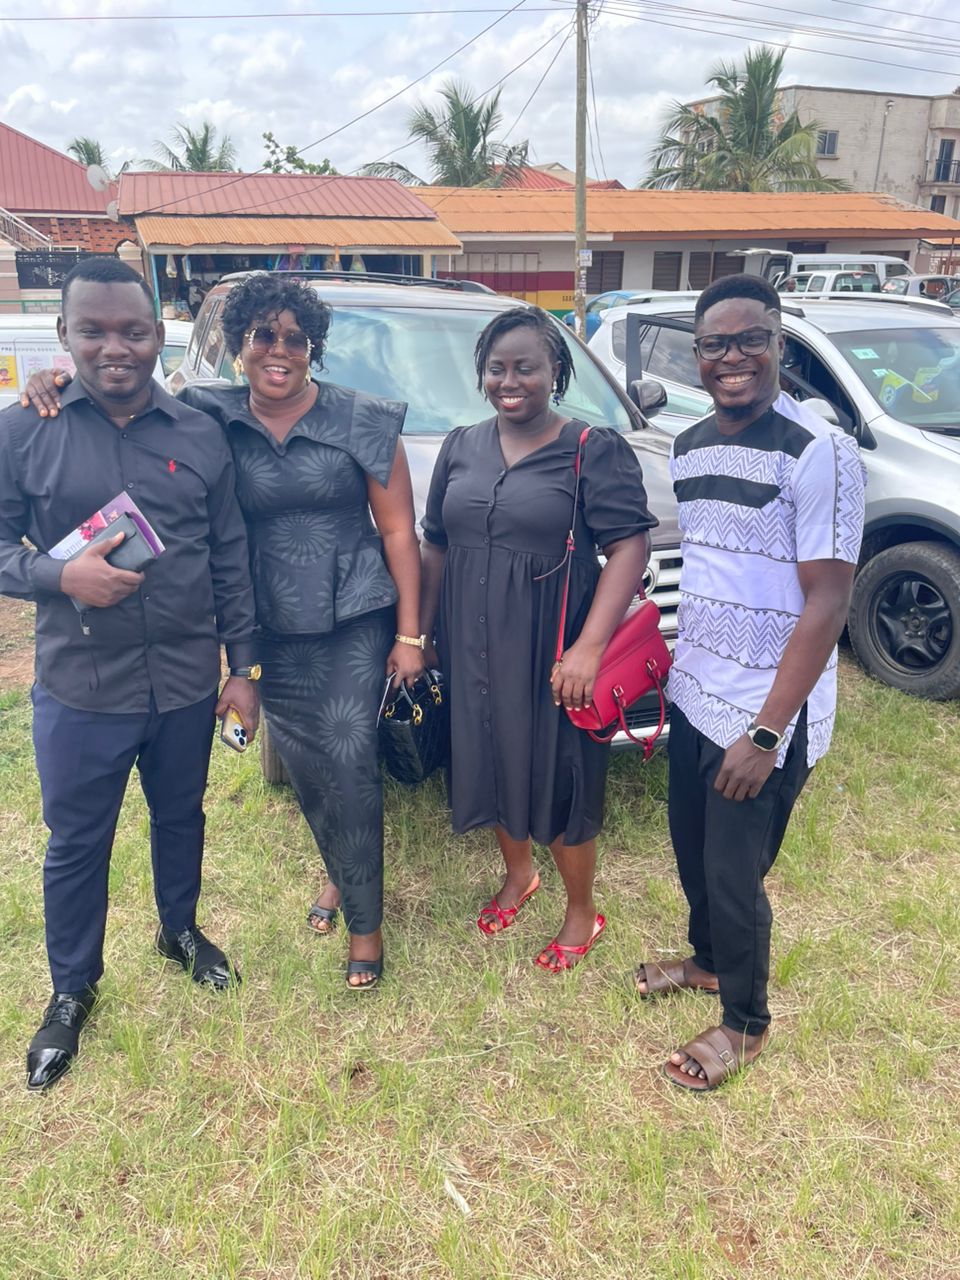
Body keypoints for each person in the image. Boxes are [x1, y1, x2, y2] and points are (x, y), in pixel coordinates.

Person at [26, 275, 423, 991]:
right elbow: (123, 389)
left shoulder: (362, 419)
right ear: (238, 345)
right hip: (265, 621)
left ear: (313, 346)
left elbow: (399, 531)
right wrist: (52, 383)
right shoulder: (209, 413)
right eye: (262, 336)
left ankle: (366, 924)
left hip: (348, 616)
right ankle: (342, 872)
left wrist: (411, 635)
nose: (279, 350)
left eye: (295, 338)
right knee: (308, 770)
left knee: (350, 763)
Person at [0, 256, 259, 1091]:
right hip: (82, 686)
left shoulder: (199, 432)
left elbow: (230, 556)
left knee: (181, 816)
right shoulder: (23, 430)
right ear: (63, 335)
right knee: (78, 842)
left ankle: (177, 931)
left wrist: (243, 668)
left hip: (184, 681)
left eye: (134, 331)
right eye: (93, 331)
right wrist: (58, 576)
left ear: (160, 336)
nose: (116, 347)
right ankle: (72, 989)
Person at [634, 275, 866, 1091]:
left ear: (779, 343)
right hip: (697, 691)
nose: (731, 357)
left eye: (750, 340)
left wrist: (767, 732)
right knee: (693, 853)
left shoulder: (818, 450)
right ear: (696, 354)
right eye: (714, 344)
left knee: (736, 874)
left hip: (766, 709)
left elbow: (828, 600)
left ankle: (744, 1021)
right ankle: (706, 962)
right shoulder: (689, 445)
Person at [420, 307, 656, 971]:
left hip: (554, 651)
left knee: (561, 776)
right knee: (490, 757)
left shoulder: (590, 448)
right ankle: (520, 875)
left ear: (555, 371)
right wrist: (424, 631)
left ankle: (581, 910)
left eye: (525, 367)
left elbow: (630, 546)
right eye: (496, 368)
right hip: (471, 644)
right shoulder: (460, 446)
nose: (509, 381)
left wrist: (589, 648)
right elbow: (435, 544)